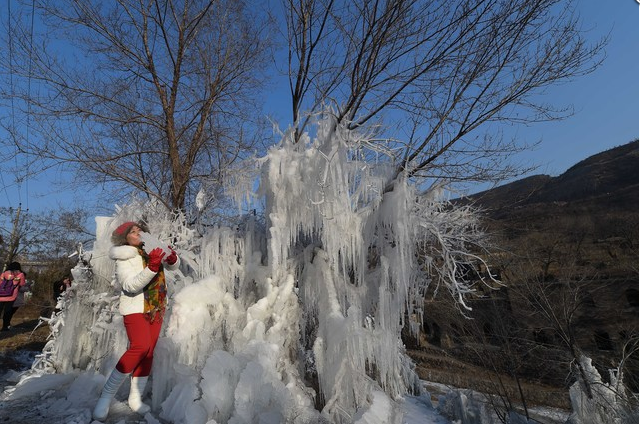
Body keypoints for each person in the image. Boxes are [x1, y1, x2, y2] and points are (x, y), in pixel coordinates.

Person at [93, 221, 179, 421]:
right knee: (140, 347)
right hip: (135, 308)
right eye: (133, 231)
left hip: (156, 307)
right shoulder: (124, 257)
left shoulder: (149, 250)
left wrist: (173, 260)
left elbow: (172, 266)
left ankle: (135, 399)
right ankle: (105, 397)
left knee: (148, 353)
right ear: (125, 238)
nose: (138, 232)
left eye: (139, 229)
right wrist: (152, 267)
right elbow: (130, 285)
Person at [0, 262, 26, 331]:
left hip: (1, 295)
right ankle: (5, 327)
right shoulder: (20, 274)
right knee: (7, 312)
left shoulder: (4, 273)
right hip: (11, 296)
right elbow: (22, 284)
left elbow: (0, 283)